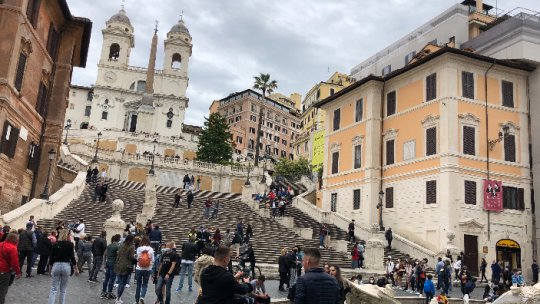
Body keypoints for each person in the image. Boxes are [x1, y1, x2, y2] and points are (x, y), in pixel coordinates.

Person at [48, 229, 78, 304]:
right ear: (67, 235)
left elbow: (51, 258)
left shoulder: (55, 244)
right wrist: (76, 269)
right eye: (70, 235)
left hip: (56, 265)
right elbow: (72, 257)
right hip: (66, 265)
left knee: (53, 289)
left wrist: (49, 269)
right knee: (63, 290)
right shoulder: (70, 244)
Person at [0, 232, 21, 303]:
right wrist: (18, 272)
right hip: (4, 270)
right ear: (14, 240)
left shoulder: (0, 244)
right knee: (2, 290)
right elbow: (15, 263)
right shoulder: (13, 248)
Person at [114, 234, 135, 304]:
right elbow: (131, 257)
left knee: (120, 282)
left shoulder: (122, 245)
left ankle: (118, 297)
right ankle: (118, 297)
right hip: (126, 266)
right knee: (123, 282)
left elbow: (118, 253)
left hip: (119, 264)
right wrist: (135, 257)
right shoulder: (131, 247)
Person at [135, 236, 154, 304]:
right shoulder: (151, 249)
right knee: (145, 284)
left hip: (139, 268)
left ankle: (137, 301)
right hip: (148, 269)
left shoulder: (139, 248)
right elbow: (153, 260)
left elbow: (137, 258)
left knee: (138, 285)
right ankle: (142, 297)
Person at [101, 234, 120, 300]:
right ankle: (109, 292)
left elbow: (105, 254)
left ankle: (103, 291)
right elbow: (118, 255)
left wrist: (104, 263)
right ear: (119, 239)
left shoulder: (109, 245)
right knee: (112, 278)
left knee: (106, 278)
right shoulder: (117, 246)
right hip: (113, 263)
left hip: (108, 262)